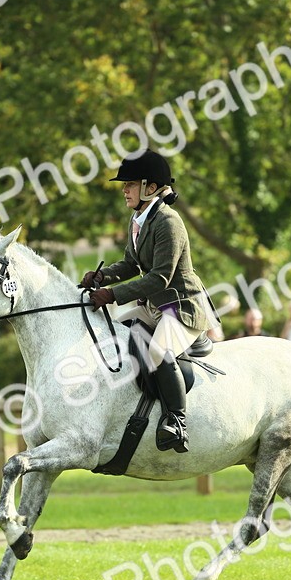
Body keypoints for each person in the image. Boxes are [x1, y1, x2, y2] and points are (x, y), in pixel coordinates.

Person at [79, 150, 213, 454]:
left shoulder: (169, 222)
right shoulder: (138, 219)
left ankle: (177, 422)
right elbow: (130, 264)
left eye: (129, 184)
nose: (124, 190)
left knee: (158, 351)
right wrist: (101, 278)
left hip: (180, 307)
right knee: (114, 331)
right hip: (155, 306)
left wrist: (112, 295)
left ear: (150, 188)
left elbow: (159, 279)